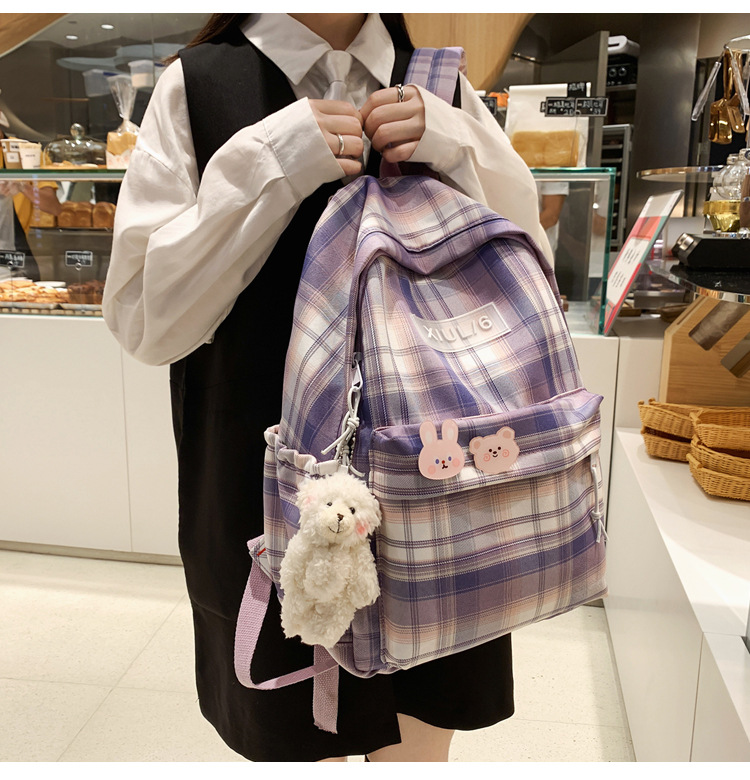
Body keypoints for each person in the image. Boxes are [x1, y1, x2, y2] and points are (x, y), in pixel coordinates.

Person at [103, 13, 552, 762]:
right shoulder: (202, 86)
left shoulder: (439, 87)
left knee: (421, 739)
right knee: (293, 734)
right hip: (266, 490)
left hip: (442, 478)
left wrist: (455, 143)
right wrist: (270, 163)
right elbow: (146, 323)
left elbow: (530, 274)